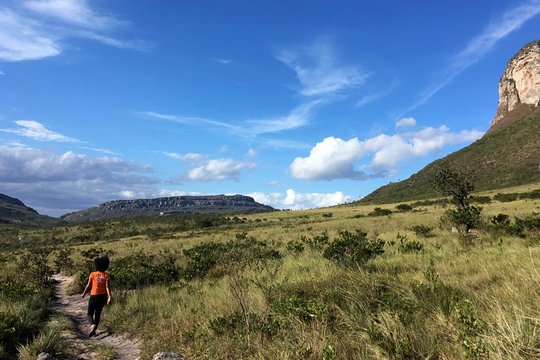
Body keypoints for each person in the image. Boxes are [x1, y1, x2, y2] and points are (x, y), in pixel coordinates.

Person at [82, 256, 111, 337]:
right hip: (103, 297)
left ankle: (92, 325)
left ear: (96, 265)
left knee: (89, 314)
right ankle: (94, 330)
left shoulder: (93, 274)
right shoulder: (107, 275)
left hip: (94, 296)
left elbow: (88, 286)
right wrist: (109, 297)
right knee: (98, 313)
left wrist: (84, 293)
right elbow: (107, 287)